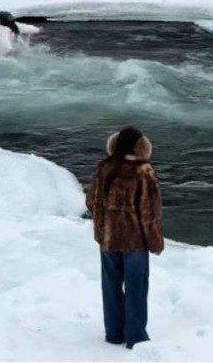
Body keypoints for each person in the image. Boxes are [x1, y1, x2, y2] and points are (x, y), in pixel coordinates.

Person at [85, 127, 164, 349]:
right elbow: (150, 214)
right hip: (135, 243)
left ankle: (113, 334)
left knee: (110, 287)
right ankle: (136, 338)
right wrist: (156, 243)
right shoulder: (144, 171)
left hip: (108, 241)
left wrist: (104, 226)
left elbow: (91, 202)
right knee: (136, 289)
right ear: (141, 147)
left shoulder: (104, 168)